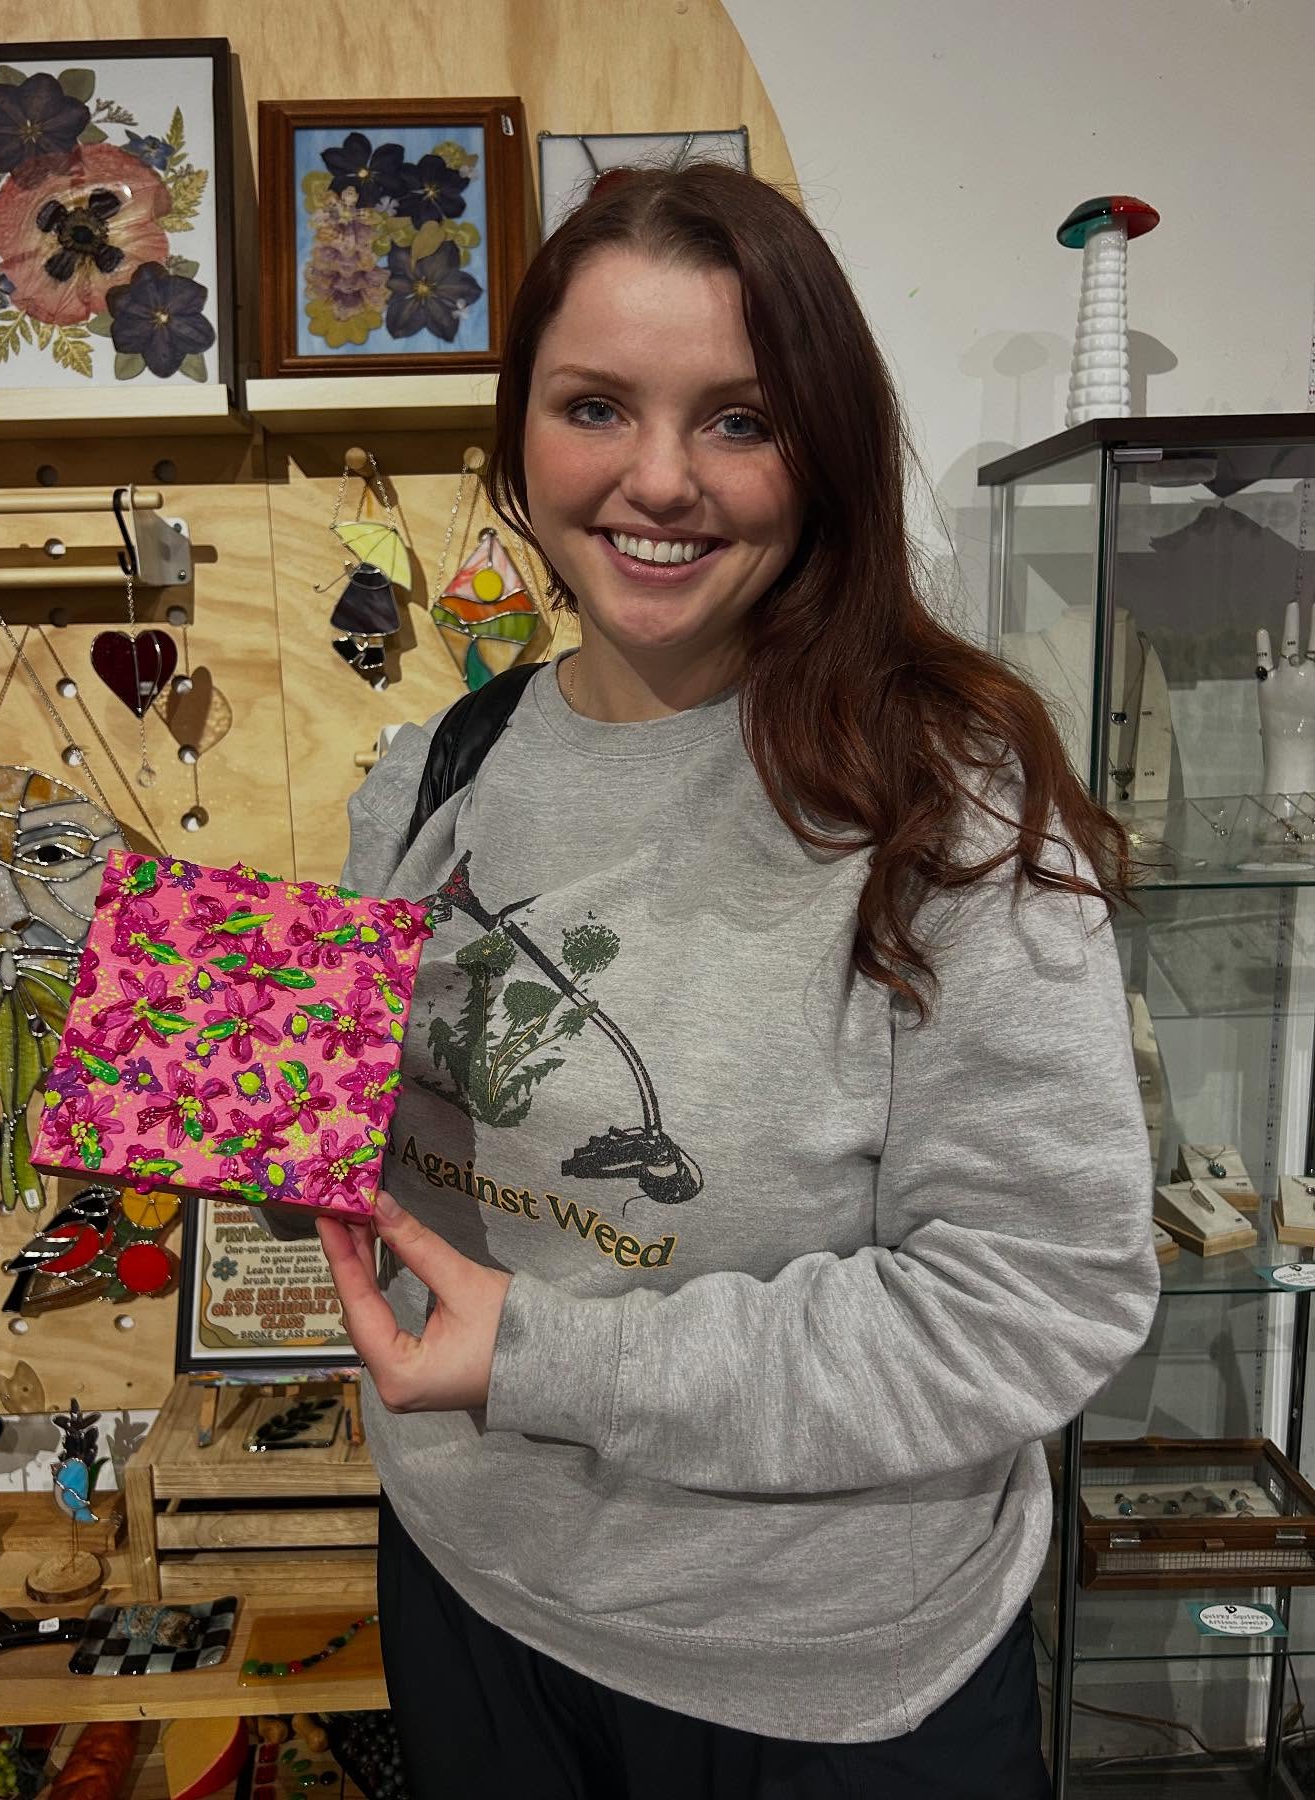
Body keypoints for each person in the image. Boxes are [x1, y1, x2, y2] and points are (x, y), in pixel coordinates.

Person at [318, 162, 1158, 1800]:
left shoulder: (947, 805)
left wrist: (548, 1359)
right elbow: (418, 1139)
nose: (657, 480)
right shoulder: (438, 768)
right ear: (519, 438)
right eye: (594, 407)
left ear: (823, 448)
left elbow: (1039, 1295)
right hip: (469, 1583)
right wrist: (272, 1131)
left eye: (738, 421)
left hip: (815, 1690)